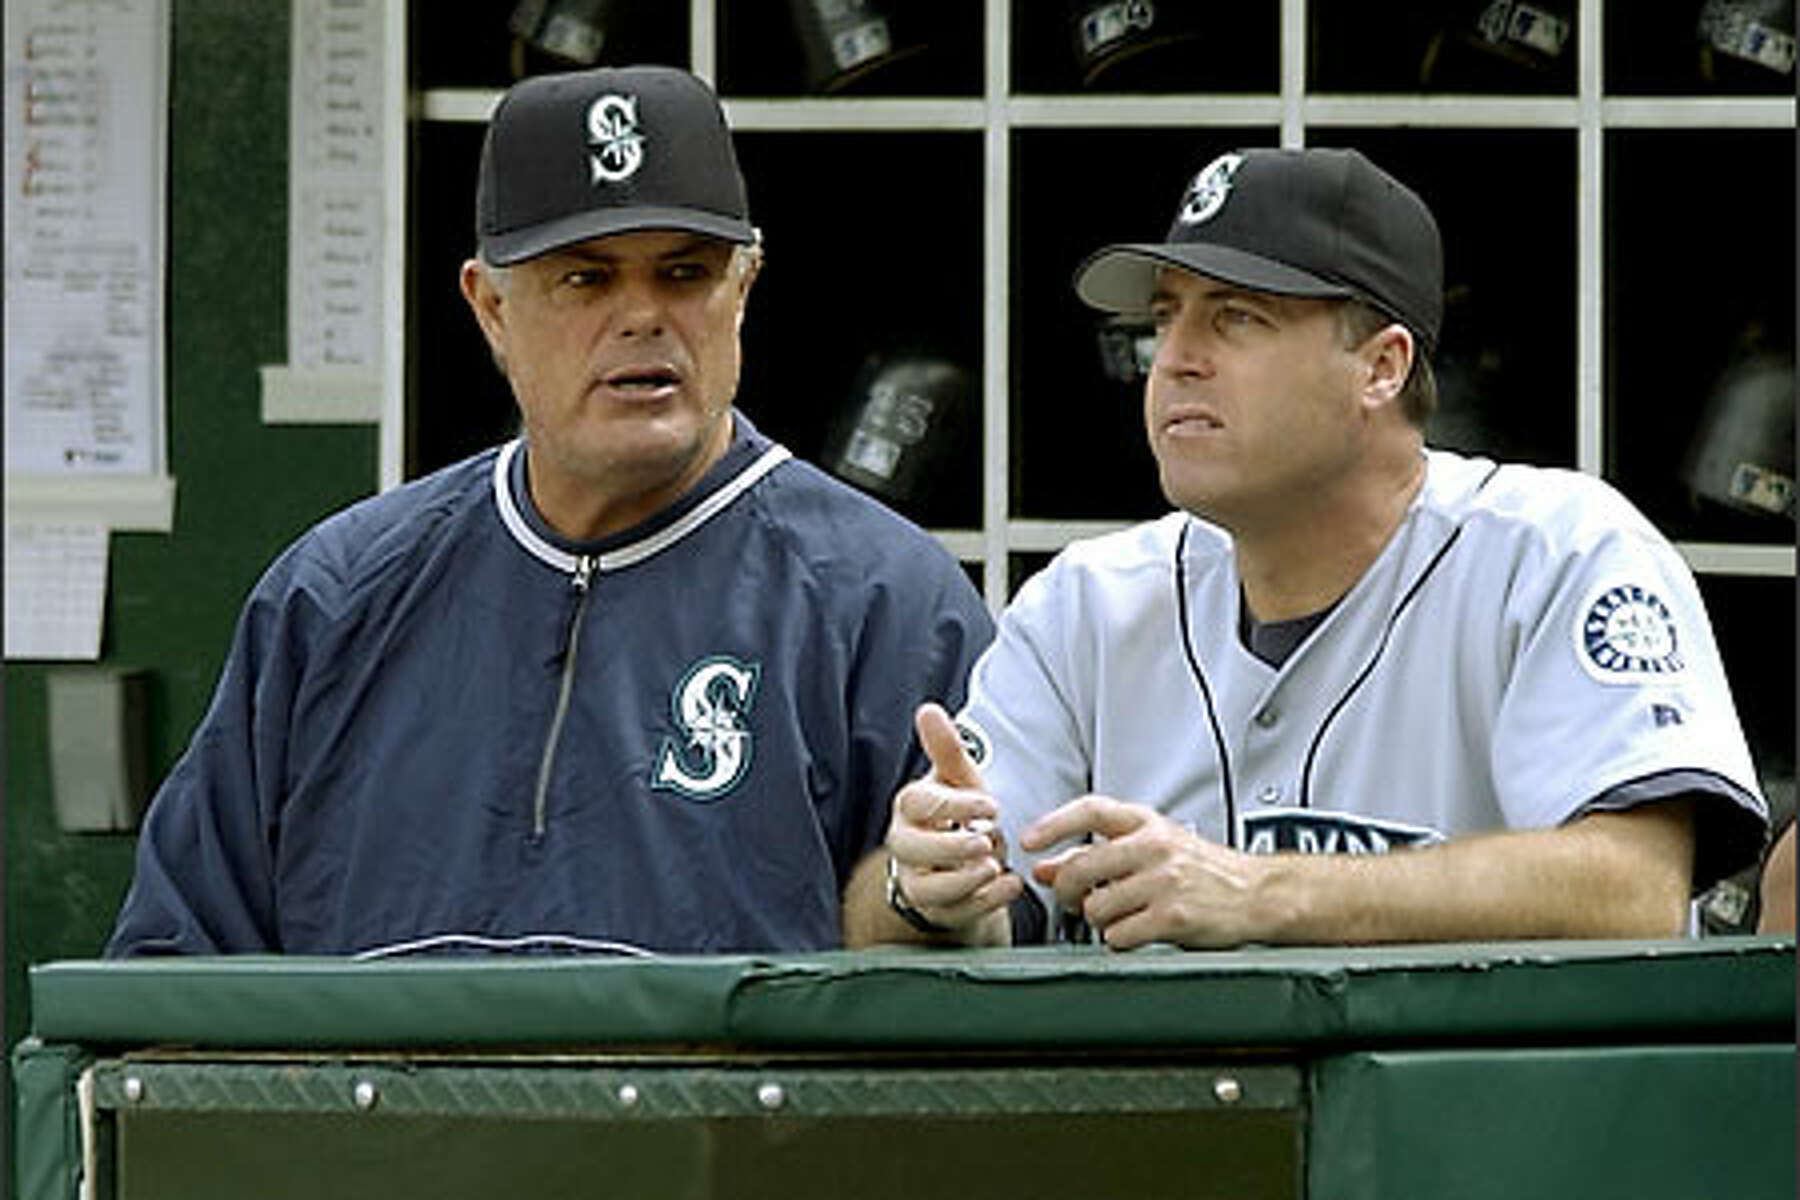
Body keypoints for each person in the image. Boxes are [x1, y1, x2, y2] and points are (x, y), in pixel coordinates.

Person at [107, 65, 993, 957]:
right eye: (585, 279)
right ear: (491, 307)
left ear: (744, 288)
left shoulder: (885, 599)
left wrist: (928, 901)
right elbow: (173, 966)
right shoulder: (337, 596)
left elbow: (986, 975)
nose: (642, 316)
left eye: (684, 273)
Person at [845, 146, 1770, 950]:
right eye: (1166, 317)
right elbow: (911, 921)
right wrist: (926, 893)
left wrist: (1255, 891)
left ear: (1382, 366)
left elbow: (1630, 889)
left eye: (1237, 316)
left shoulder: (1555, 554)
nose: (1175, 358)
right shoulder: (1084, 604)